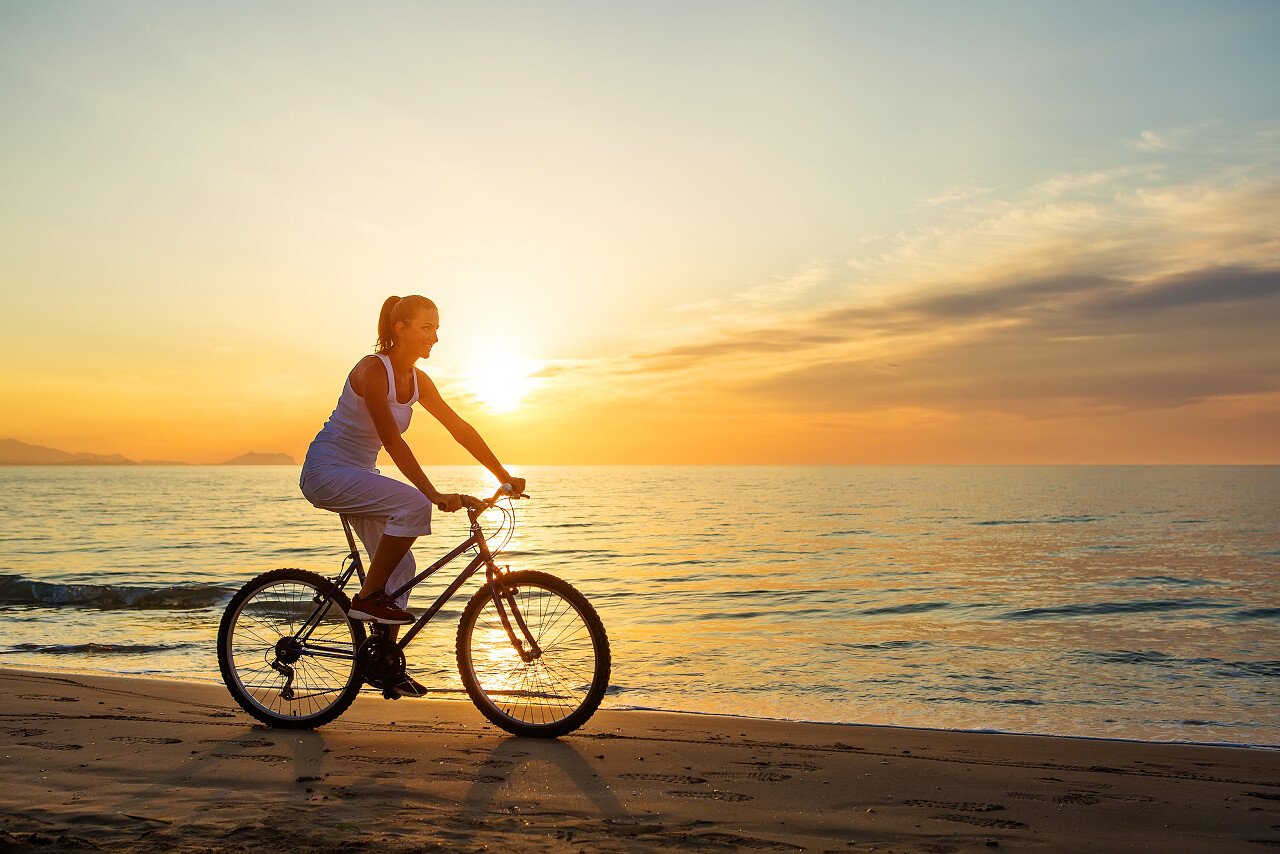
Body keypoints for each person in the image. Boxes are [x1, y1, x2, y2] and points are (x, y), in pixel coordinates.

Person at [299, 295, 525, 695]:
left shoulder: (419, 381)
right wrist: (433, 493)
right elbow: (391, 440)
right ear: (400, 328)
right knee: (414, 504)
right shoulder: (373, 370)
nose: (435, 337)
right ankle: (367, 595)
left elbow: (460, 428)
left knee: (402, 571)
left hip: (360, 474)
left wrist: (504, 474)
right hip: (327, 471)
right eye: (426, 327)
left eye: (437, 328)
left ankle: (383, 663)